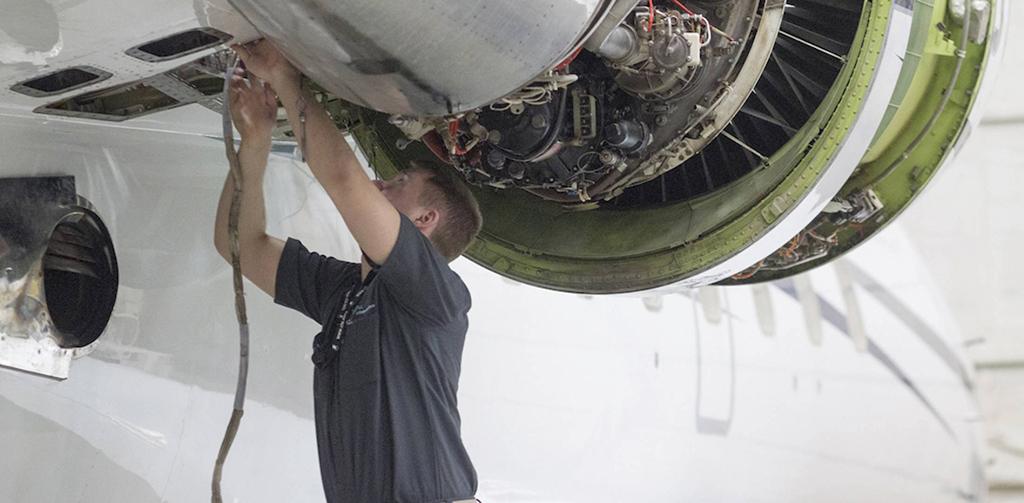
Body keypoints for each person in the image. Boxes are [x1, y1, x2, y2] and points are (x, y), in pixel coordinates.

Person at [213, 39, 482, 503]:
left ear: (424, 220)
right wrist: (255, 142)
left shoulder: (433, 294)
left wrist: (284, 77)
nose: (377, 183)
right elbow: (241, 246)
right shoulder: (348, 291)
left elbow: (343, 178)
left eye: (397, 184)